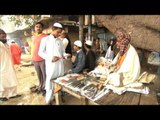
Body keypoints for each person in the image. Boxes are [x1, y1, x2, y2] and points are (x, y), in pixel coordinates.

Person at [38, 22, 65, 104]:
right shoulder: (45, 39)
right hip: (51, 65)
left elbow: (62, 52)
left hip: (60, 65)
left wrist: (65, 55)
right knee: (50, 82)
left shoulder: (60, 41)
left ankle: (59, 96)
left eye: (60, 32)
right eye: (58, 32)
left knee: (60, 81)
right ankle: (48, 100)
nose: (59, 34)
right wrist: (50, 58)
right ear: (53, 30)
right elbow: (40, 52)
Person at [0, 29, 21, 101]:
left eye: (4, 36)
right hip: (2, 66)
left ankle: (13, 94)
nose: (4, 37)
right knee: (3, 82)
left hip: (9, 65)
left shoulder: (6, 44)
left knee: (12, 80)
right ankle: (2, 96)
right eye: (2, 36)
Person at [31, 22, 48, 95]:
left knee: (45, 75)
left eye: (40, 27)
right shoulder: (33, 37)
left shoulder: (46, 36)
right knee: (39, 75)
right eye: (36, 26)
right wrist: (31, 57)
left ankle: (45, 88)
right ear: (35, 28)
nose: (38, 28)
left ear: (42, 28)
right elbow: (33, 48)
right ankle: (40, 86)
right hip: (35, 59)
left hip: (43, 59)